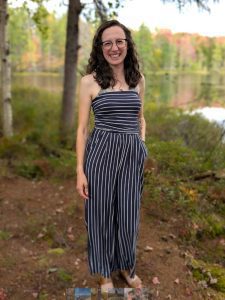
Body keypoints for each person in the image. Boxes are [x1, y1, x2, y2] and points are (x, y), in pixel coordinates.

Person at [76, 20, 148, 292]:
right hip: (101, 154)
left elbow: (141, 118)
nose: (114, 47)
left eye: (119, 41)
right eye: (107, 43)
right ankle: (104, 272)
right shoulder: (89, 82)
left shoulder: (138, 80)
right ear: (100, 48)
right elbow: (82, 129)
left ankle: (127, 268)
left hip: (131, 157)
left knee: (129, 216)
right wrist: (80, 170)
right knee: (100, 214)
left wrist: (141, 145)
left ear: (127, 44)